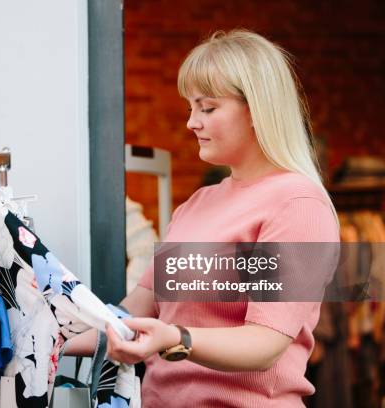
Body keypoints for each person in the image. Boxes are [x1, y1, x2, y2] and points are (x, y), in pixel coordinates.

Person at [64, 29, 340, 407]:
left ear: (258, 109)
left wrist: (177, 338)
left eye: (207, 108)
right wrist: (46, 340)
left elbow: (266, 341)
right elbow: (134, 311)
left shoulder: (297, 204)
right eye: (190, 108)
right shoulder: (196, 204)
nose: (192, 123)